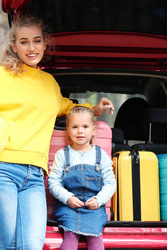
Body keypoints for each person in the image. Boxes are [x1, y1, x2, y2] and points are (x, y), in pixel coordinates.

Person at [0, 14, 114, 250]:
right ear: (14, 46)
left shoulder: (49, 83)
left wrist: (94, 109)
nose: (31, 47)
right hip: (0, 172)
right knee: (7, 246)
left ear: (45, 44)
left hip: (35, 177)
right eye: (24, 41)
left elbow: (67, 108)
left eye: (37, 41)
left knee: (31, 246)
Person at [48, 106, 116, 250]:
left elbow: (110, 183)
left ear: (93, 130)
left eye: (85, 126)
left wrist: (99, 200)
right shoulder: (63, 154)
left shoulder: (100, 155)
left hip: (94, 207)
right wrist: (68, 198)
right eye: (75, 127)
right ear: (68, 129)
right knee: (70, 238)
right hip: (69, 206)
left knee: (96, 239)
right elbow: (53, 182)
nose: (80, 131)